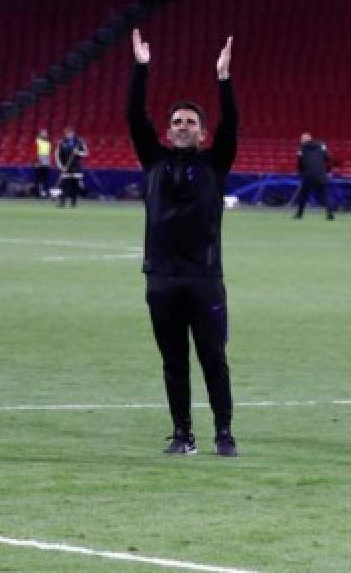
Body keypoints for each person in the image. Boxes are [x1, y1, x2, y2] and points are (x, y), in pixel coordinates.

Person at [126, 28, 239, 458]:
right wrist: (141, 68)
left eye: (190, 122)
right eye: (176, 122)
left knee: (213, 358)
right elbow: (135, 117)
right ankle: (182, 434)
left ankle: (224, 433)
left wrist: (224, 80)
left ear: (202, 132)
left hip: (204, 277)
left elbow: (232, 125)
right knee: (174, 362)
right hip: (162, 279)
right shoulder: (153, 161)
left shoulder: (215, 163)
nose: (182, 126)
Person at [294, 132, 334, 219]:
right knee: (325, 194)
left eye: (301, 139)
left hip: (308, 175)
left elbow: (300, 163)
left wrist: (301, 173)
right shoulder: (322, 145)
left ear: (305, 140)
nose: (300, 141)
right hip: (321, 174)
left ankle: (299, 215)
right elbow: (328, 158)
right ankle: (330, 214)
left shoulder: (301, 148)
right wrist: (328, 171)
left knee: (303, 195)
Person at [55, 127, 88, 208]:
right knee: (64, 186)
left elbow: (86, 153)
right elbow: (57, 155)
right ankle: (62, 202)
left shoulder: (79, 142)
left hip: (76, 167)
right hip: (65, 167)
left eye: (70, 133)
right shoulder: (61, 142)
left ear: (73, 133)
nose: (68, 135)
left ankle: (73, 203)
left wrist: (78, 152)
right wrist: (61, 166)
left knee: (75, 186)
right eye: (66, 133)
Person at [34, 128, 52, 198]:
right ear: (40, 134)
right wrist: (36, 162)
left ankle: (45, 193)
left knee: (45, 179)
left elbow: (49, 154)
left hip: (46, 163)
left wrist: (49, 162)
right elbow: (34, 151)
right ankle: (37, 193)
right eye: (43, 133)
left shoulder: (48, 143)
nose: (44, 134)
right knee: (37, 179)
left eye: (45, 133)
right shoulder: (37, 141)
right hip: (39, 162)